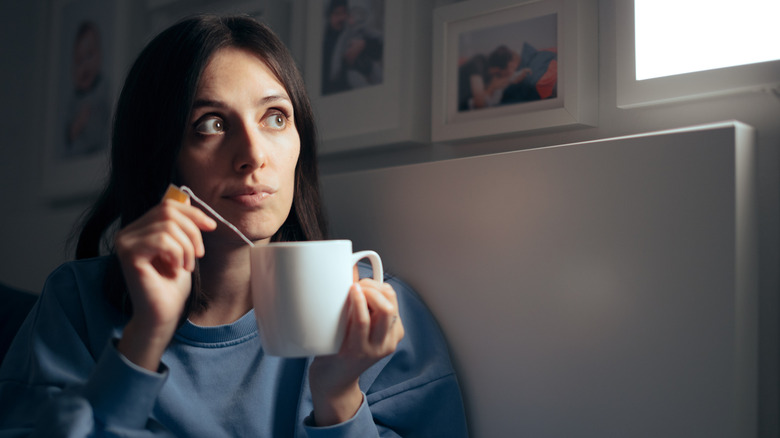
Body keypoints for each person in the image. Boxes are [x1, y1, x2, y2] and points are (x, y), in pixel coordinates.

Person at [0, 14, 467, 437]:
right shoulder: (74, 305)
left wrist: (339, 399)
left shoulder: (380, 319)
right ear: (159, 151)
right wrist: (144, 338)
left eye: (275, 117)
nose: (253, 155)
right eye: (211, 124)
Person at [63, 20, 111, 158]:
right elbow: (69, 134)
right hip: (82, 155)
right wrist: (78, 123)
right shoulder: (74, 101)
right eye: (79, 60)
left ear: (100, 57)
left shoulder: (104, 88)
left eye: (89, 55)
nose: (85, 65)